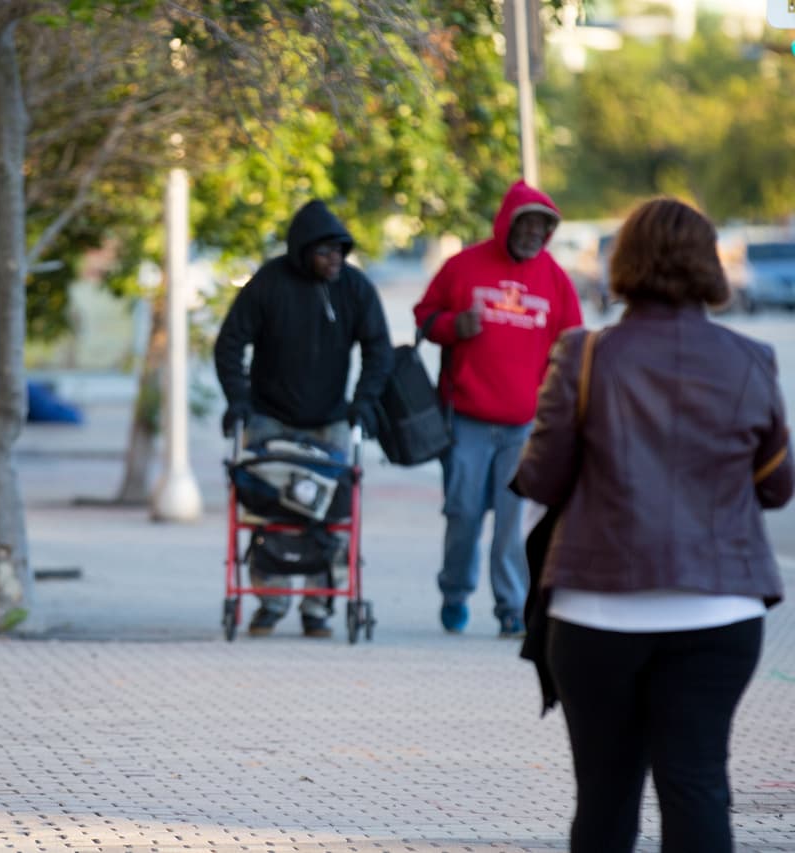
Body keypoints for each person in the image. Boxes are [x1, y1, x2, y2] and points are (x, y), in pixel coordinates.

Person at [514, 197, 792, 853]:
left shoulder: (583, 355)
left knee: (606, 798)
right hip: (719, 609)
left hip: (595, 610)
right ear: (709, 265)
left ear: (624, 262)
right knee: (697, 787)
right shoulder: (750, 359)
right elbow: (777, 486)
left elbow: (541, 479)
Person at [214, 199, 393, 638]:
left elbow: (379, 349)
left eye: (340, 251)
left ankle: (319, 606)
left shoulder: (354, 288)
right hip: (269, 417)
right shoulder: (269, 283)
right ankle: (271, 601)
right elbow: (230, 342)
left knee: (330, 515)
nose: (335, 260)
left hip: (329, 419)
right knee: (267, 513)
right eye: (325, 252)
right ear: (303, 250)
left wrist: (364, 402)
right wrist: (238, 399)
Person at [413, 179, 582, 638]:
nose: (532, 235)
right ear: (507, 224)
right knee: (463, 514)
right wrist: (453, 325)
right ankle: (454, 592)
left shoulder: (555, 279)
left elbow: (572, 344)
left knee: (513, 524)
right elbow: (424, 316)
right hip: (467, 420)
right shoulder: (463, 266)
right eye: (525, 226)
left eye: (541, 228)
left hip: (524, 425)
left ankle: (512, 608)